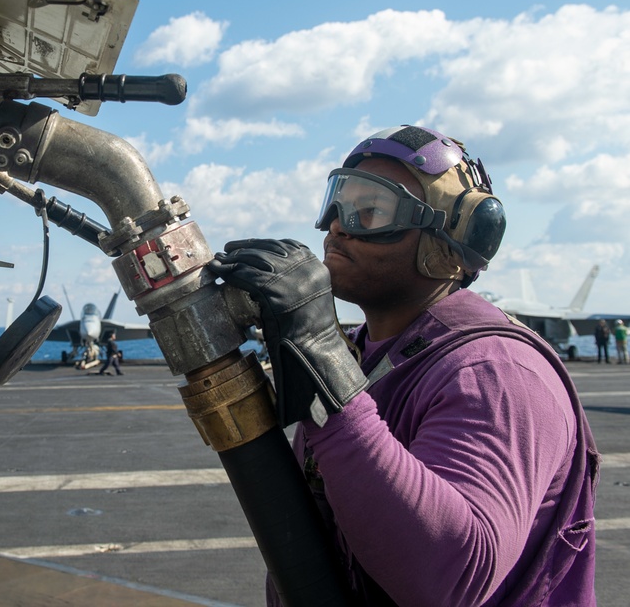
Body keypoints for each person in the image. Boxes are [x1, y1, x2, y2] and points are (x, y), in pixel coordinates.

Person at [209, 125, 599, 607]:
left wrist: (323, 359)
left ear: (451, 235)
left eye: (370, 210)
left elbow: (451, 577)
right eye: (338, 202)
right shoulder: (361, 353)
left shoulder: (496, 372)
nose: (338, 225)